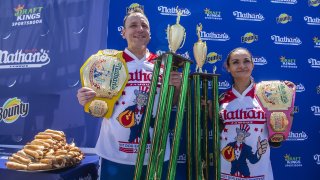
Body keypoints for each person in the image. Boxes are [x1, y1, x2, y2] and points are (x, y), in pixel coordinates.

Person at [77, 6, 182, 179]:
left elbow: (172, 104)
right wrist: (85, 98)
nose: (140, 29)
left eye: (144, 26)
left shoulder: (163, 65)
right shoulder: (108, 63)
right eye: (133, 25)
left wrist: (176, 89)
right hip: (115, 156)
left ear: (149, 33)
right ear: (123, 33)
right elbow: (98, 106)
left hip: (155, 156)